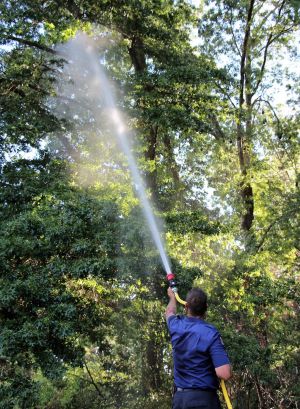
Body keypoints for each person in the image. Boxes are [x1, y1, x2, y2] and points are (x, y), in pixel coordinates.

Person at [166, 287, 232, 409]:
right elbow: (224, 373)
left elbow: (169, 312)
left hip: (180, 401)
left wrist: (172, 297)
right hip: (204, 401)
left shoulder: (176, 325)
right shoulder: (211, 333)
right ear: (206, 307)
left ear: (186, 307)